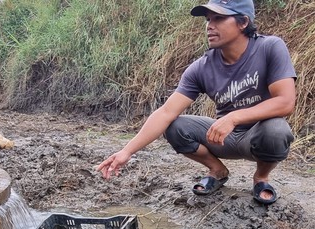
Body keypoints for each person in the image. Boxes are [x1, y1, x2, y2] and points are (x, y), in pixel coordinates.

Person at [97, 0, 296, 205]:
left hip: (257, 135)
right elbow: (166, 112)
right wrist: (126, 151)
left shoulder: (270, 47)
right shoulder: (202, 67)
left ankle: (261, 177)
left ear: (243, 22)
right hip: (222, 138)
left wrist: (235, 117)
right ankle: (217, 170)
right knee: (174, 126)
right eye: (208, 19)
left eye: (219, 18)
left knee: (276, 130)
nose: (210, 25)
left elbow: (285, 102)